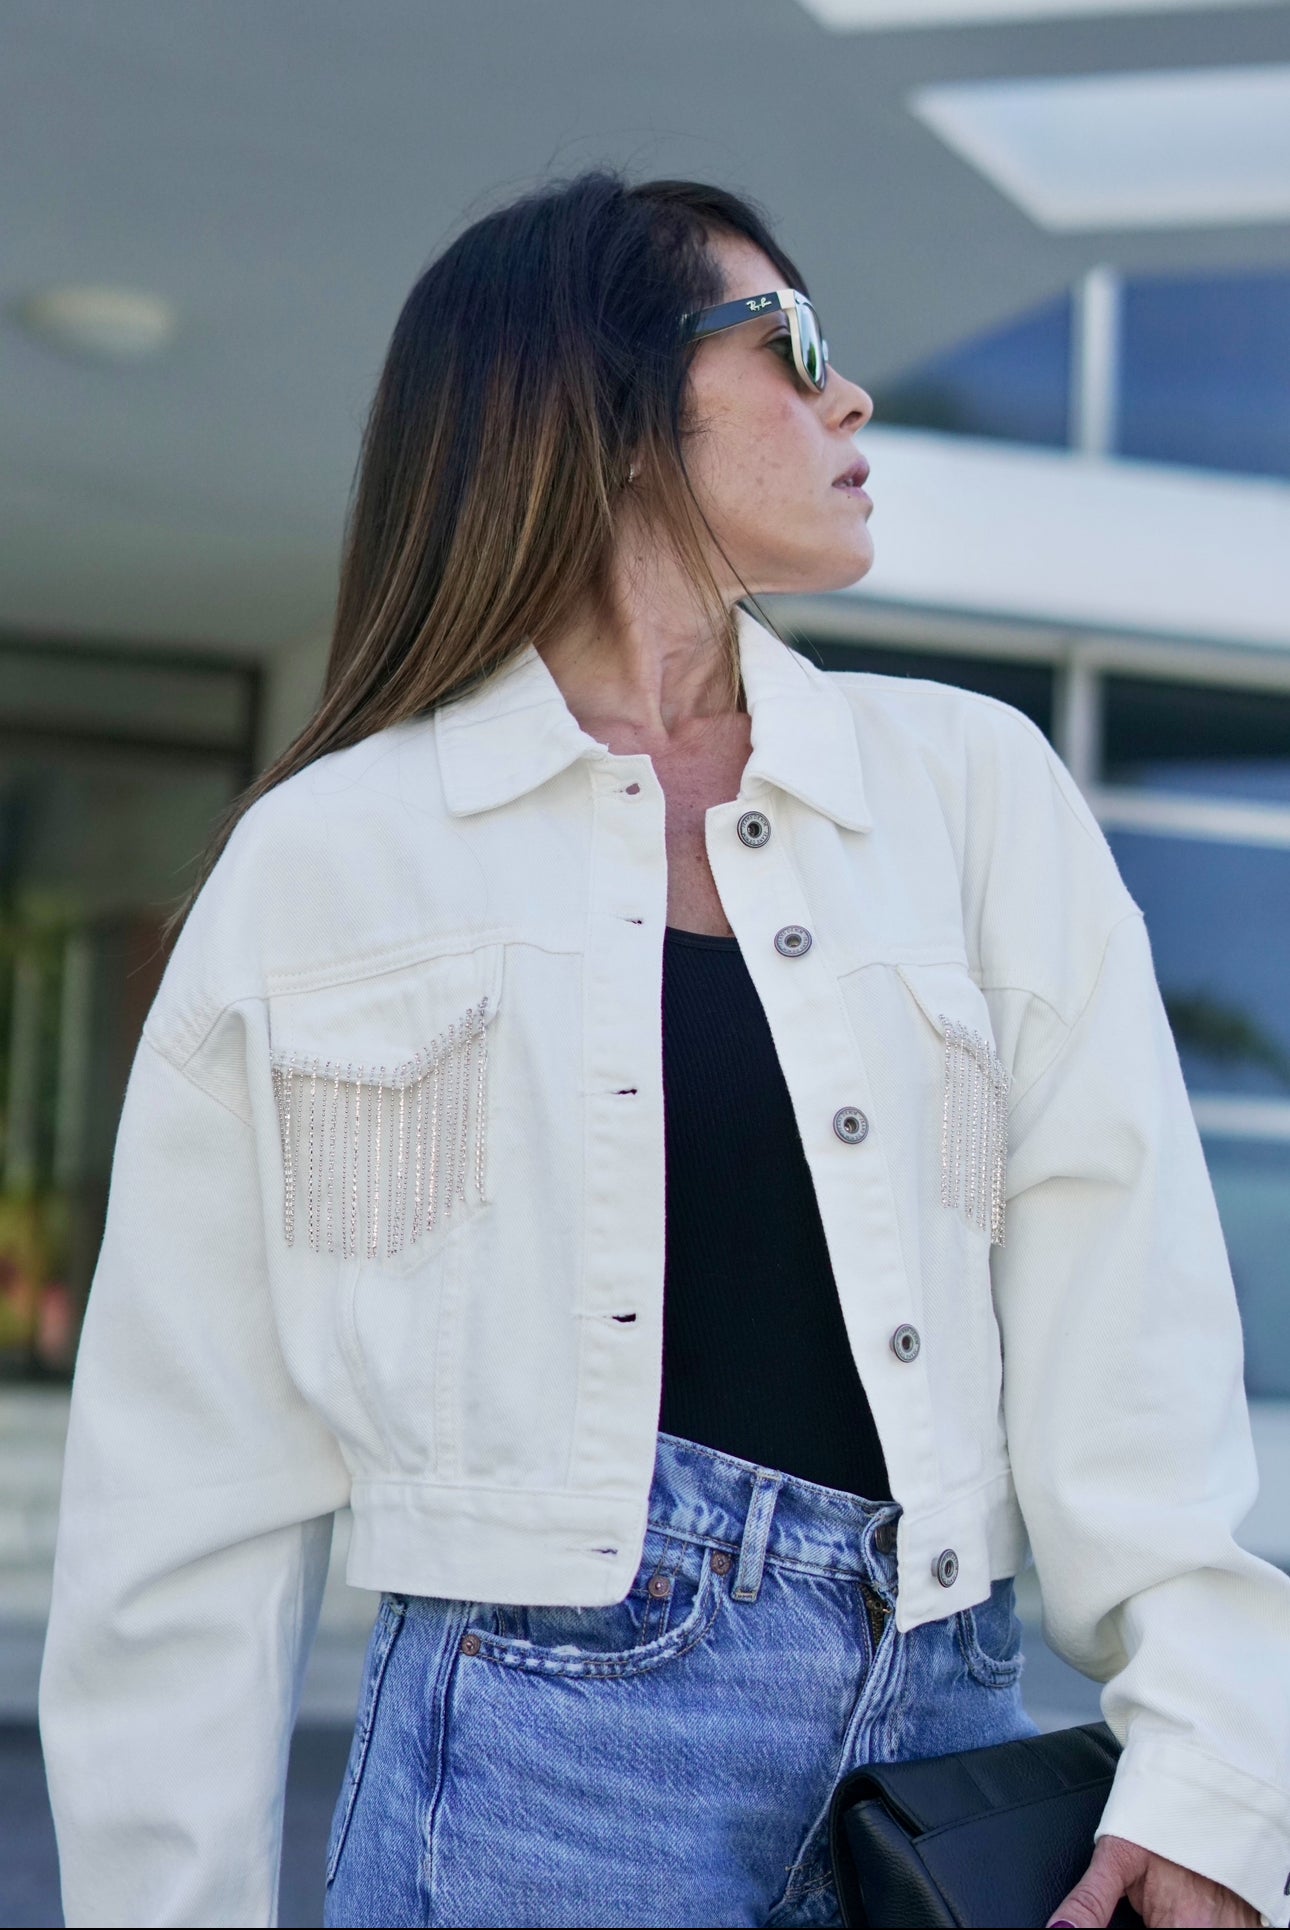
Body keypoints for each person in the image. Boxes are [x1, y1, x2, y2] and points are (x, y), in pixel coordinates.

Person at [39, 169, 1288, 1930]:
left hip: (945, 1759)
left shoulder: (972, 789)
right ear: (605, 409)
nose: (848, 397)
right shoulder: (330, 858)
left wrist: (1215, 1766)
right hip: (531, 1788)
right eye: (789, 345)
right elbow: (185, 1489)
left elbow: (1129, 1316)